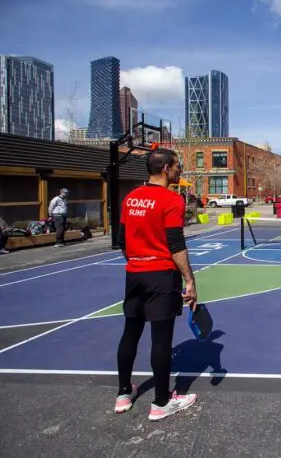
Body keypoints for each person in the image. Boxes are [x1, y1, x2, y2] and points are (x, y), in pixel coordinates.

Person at [114, 148, 198, 421]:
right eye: (177, 166)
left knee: (131, 332)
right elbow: (176, 244)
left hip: (135, 273)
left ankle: (124, 393)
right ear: (165, 169)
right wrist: (189, 279)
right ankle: (162, 402)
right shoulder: (172, 200)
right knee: (161, 340)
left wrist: (138, 260)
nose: (180, 170)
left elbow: (122, 240)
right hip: (161, 275)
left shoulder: (130, 198)